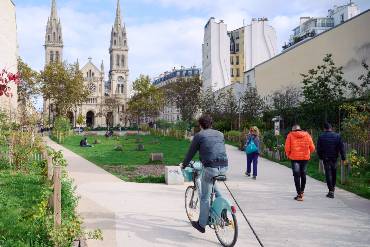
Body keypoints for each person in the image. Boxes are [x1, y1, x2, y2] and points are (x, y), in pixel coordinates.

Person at [181, 115, 228, 233]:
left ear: (200, 125)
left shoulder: (199, 135)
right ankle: (223, 213)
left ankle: (201, 224)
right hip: (224, 166)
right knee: (213, 185)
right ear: (211, 124)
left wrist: (184, 164)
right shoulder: (220, 134)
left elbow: (191, 153)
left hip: (211, 167)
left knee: (205, 197)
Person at [285, 124, 315, 201]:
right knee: (303, 173)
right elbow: (312, 147)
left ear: (293, 130)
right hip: (305, 158)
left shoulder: (290, 135)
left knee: (296, 175)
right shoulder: (307, 135)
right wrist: (308, 153)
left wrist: (288, 155)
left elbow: (287, 147)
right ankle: (302, 191)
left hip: (294, 158)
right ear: (300, 129)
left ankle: (299, 194)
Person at [317, 123, 346, 199]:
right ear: (331, 128)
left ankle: (331, 191)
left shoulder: (321, 136)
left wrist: (320, 157)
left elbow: (319, 149)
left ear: (324, 129)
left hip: (326, 158)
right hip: (334, 158)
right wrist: (343, 158)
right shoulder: (337, 136)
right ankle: (332, 189)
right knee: (333, 173)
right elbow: (341, 148)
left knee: (328, 174)